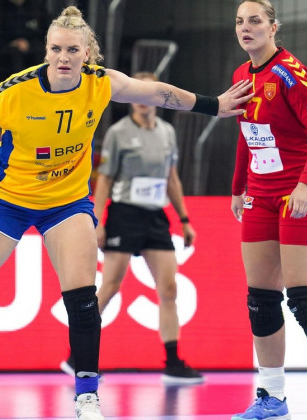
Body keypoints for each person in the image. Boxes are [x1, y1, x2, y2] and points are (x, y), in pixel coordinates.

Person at [0, 6, 252, 420]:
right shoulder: (16, 90)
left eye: (72, 49)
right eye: (56, 49)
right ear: (47, 50)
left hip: (67, 202)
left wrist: (214, 106)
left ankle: (86, 396)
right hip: (6, 199)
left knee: (83, 299)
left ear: (88, 52)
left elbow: (157, 92)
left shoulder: (100, 83)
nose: (64, 58)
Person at [229, 1, 307, 419]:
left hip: (304, 188)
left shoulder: (290, 72)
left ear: (273, 27)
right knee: (260, 299)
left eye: (255, 22)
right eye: (240, 23)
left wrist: (304, 183)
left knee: (302, 296)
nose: (246, 29)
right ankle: (271, 396)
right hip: (260, 192)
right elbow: (248, 134)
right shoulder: (239, 76)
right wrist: (238, 188)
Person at [60, 71, 204, 385]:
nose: (142, 100)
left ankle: (173, 361)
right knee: (110, 286)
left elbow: (172, 179)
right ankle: (77, 354)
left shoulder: (167, 132)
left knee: (168, 289)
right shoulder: (118, 132)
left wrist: (184, 219)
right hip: (124, 214)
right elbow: (106, 179)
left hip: (155, 217)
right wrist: (95, 221)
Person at [0, 0, 50, 88]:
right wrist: (10, 45)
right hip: (2, 61)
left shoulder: (38, 9)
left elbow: (48, 38)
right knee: (14, 54)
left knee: (40, 53)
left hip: (34, 54)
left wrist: (29, 45)